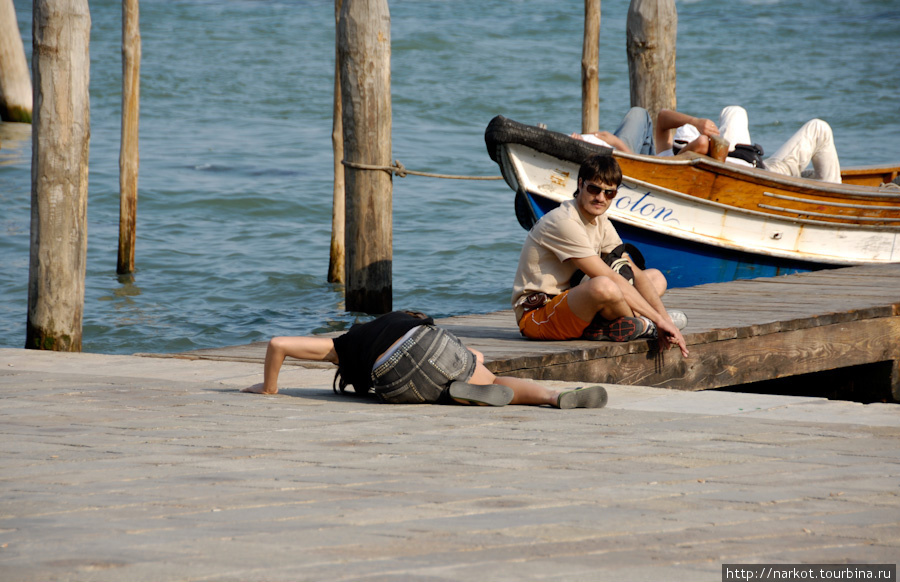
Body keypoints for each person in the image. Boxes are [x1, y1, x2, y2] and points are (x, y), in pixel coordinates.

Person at [511, 154, 690, 358]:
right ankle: (642, 325)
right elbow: (610, 279)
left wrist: (664, 317)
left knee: (655, 277)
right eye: (594, 189)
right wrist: (660, 322)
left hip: (576, 304)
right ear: (580, 184)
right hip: (539, 317)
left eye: (609, 193)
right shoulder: (564, 221)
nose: (601, 198)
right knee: (603, 286)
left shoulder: (600, 221)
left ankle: (616, 326)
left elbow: (633, 272)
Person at [242, 310, 609, 409]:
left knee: (428, 384)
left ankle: (452, 393)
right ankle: (552, 397)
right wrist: (470, 361)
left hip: (391, 374)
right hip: (434, 347)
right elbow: (474, 355)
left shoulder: (344, 343)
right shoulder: (413, 323)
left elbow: (278, 343)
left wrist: (269, 388)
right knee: (493, 380)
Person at [655, 106, 842, 183]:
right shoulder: (688, 162)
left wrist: (695, 121)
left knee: (734, 111)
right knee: (819, 128)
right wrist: (699, 145)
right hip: (767, 176)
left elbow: (662, 116)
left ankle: (811, 177)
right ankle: (834, 196)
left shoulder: (662, 158)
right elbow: (701, 144)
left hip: (751, 160)